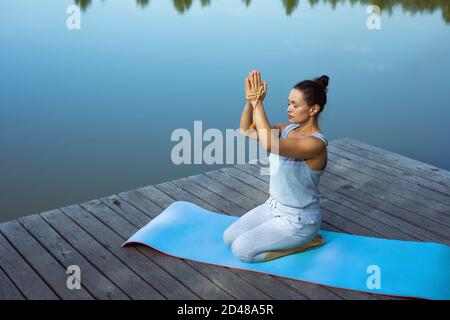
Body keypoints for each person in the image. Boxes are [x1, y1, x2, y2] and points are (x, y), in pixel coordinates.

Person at [223, 70, 329, 262]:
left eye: (295, 105)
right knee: (228, 238)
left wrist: (259, 103)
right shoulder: (285, 129)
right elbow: (246, 130)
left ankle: (306, 242)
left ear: (313, 110)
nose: (289, 108)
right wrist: (250, 101)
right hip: (273, 206)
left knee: (242, 251)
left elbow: (270, 144)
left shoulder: (316, 144)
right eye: (289, 103)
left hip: (298, 220)